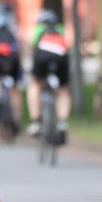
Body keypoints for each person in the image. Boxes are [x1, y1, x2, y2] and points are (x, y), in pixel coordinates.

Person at [26, 9, 71, 144]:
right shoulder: (61, 30)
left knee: (34, 85)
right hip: (60, 56)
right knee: (63, 91)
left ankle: (35, 122)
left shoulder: (37, 30)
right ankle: (62, 123)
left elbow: (31, 48)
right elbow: (68, 45)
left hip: (42, 57)